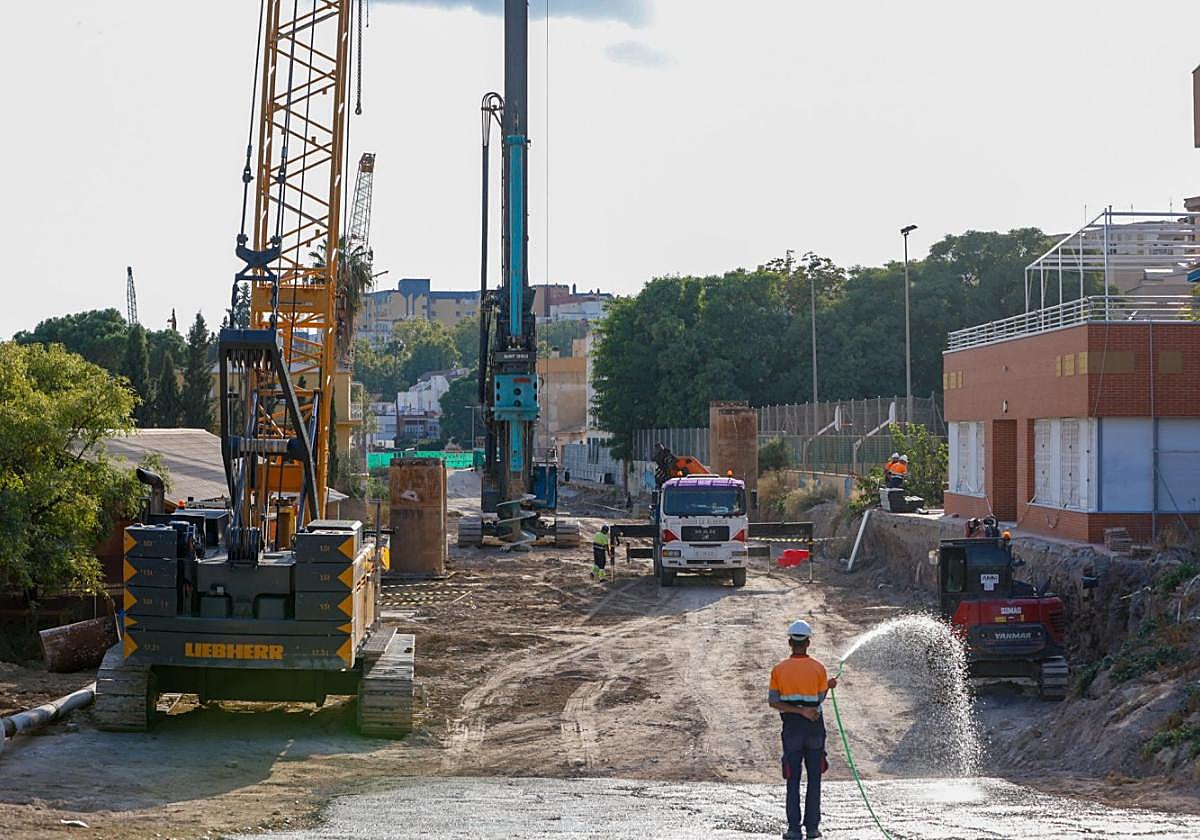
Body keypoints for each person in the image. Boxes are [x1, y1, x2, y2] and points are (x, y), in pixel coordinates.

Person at [768, 619, 836, 840]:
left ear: (790, 642)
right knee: (814, 779)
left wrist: (797, 711)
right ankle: (812, 828)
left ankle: (793, 829)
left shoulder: (779, 670)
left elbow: (773, 702)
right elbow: (819, 698)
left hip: (792, 730)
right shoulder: (818, 668)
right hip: (815, 729)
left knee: (793, 779)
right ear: (808, 643)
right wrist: (828, 687)